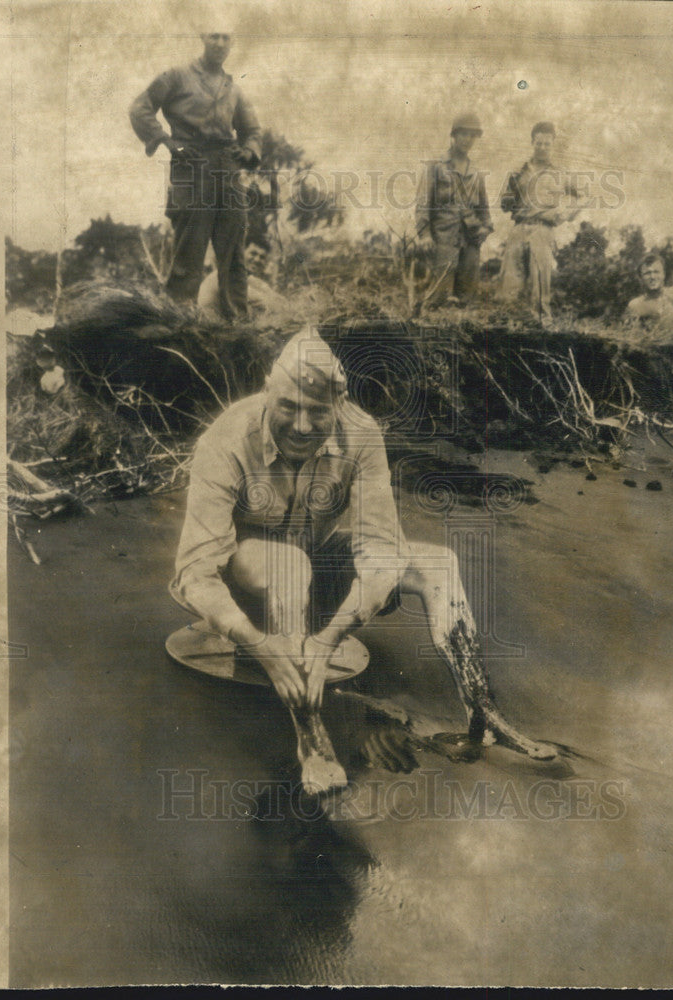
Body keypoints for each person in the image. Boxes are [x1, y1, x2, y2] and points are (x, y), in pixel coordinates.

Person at [170, 327, 554, 794]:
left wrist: (331, 637)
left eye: (318, 412)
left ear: (340, 403)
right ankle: (311, 740)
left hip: (318, 582)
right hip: (249, 591)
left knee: (439, 563)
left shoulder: (362, 433)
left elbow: (381, 550)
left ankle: (483, 711)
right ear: (268, 390)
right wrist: (258, 645)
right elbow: (194, 572)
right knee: (289, 563)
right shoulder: (226, 439)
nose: (303, 427)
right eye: (288, 407)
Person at [130, 32, 262, 319]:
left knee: (234, 253)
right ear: (203, 38)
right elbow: (140, 109)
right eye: (214, 36)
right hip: (192, 165)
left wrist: (249, 151)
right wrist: (165, 140)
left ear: (232, 43)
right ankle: (179, 323)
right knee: (189, 251)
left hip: (228, 169)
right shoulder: (176, 76)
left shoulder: (233, 88)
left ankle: (237, 326)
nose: (219, 43)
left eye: (226, 37)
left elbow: (252, 130)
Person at [498, 121, 580, 323]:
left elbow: (583, 196)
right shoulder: (519, 170)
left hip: (543, 229)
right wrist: (511, 187)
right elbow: (504, 204)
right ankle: (510, 324)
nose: (542, 147)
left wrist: (565, 214)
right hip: (519, 227)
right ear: (532, 143)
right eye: (539, 143)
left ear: (552, 145)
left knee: (540, 280)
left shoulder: (560, 172)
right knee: (510, 279)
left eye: (547, 144)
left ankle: (543, 324)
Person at [414, 112, 493, 308]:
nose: (468, 140)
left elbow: (484, 209)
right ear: (454, 135)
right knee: (438, 297)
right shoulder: (435, 167)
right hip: (443, 240)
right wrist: (424, 235)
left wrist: (485, 228)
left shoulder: (476, 172)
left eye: (472, 135)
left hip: (471, 241)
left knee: (466, 299)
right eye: (464, 134)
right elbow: (423, 204)